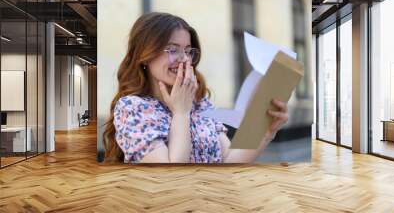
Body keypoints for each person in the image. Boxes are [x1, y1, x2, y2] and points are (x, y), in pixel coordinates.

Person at [103, 12, 288, 163]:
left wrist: (265, 133)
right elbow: (170, 179)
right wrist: (181, 113)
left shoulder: (199, 102)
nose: (184, 58)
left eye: (188, 51)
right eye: (172, 49)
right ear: (145, 55)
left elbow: (229, 160)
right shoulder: (132, 107)